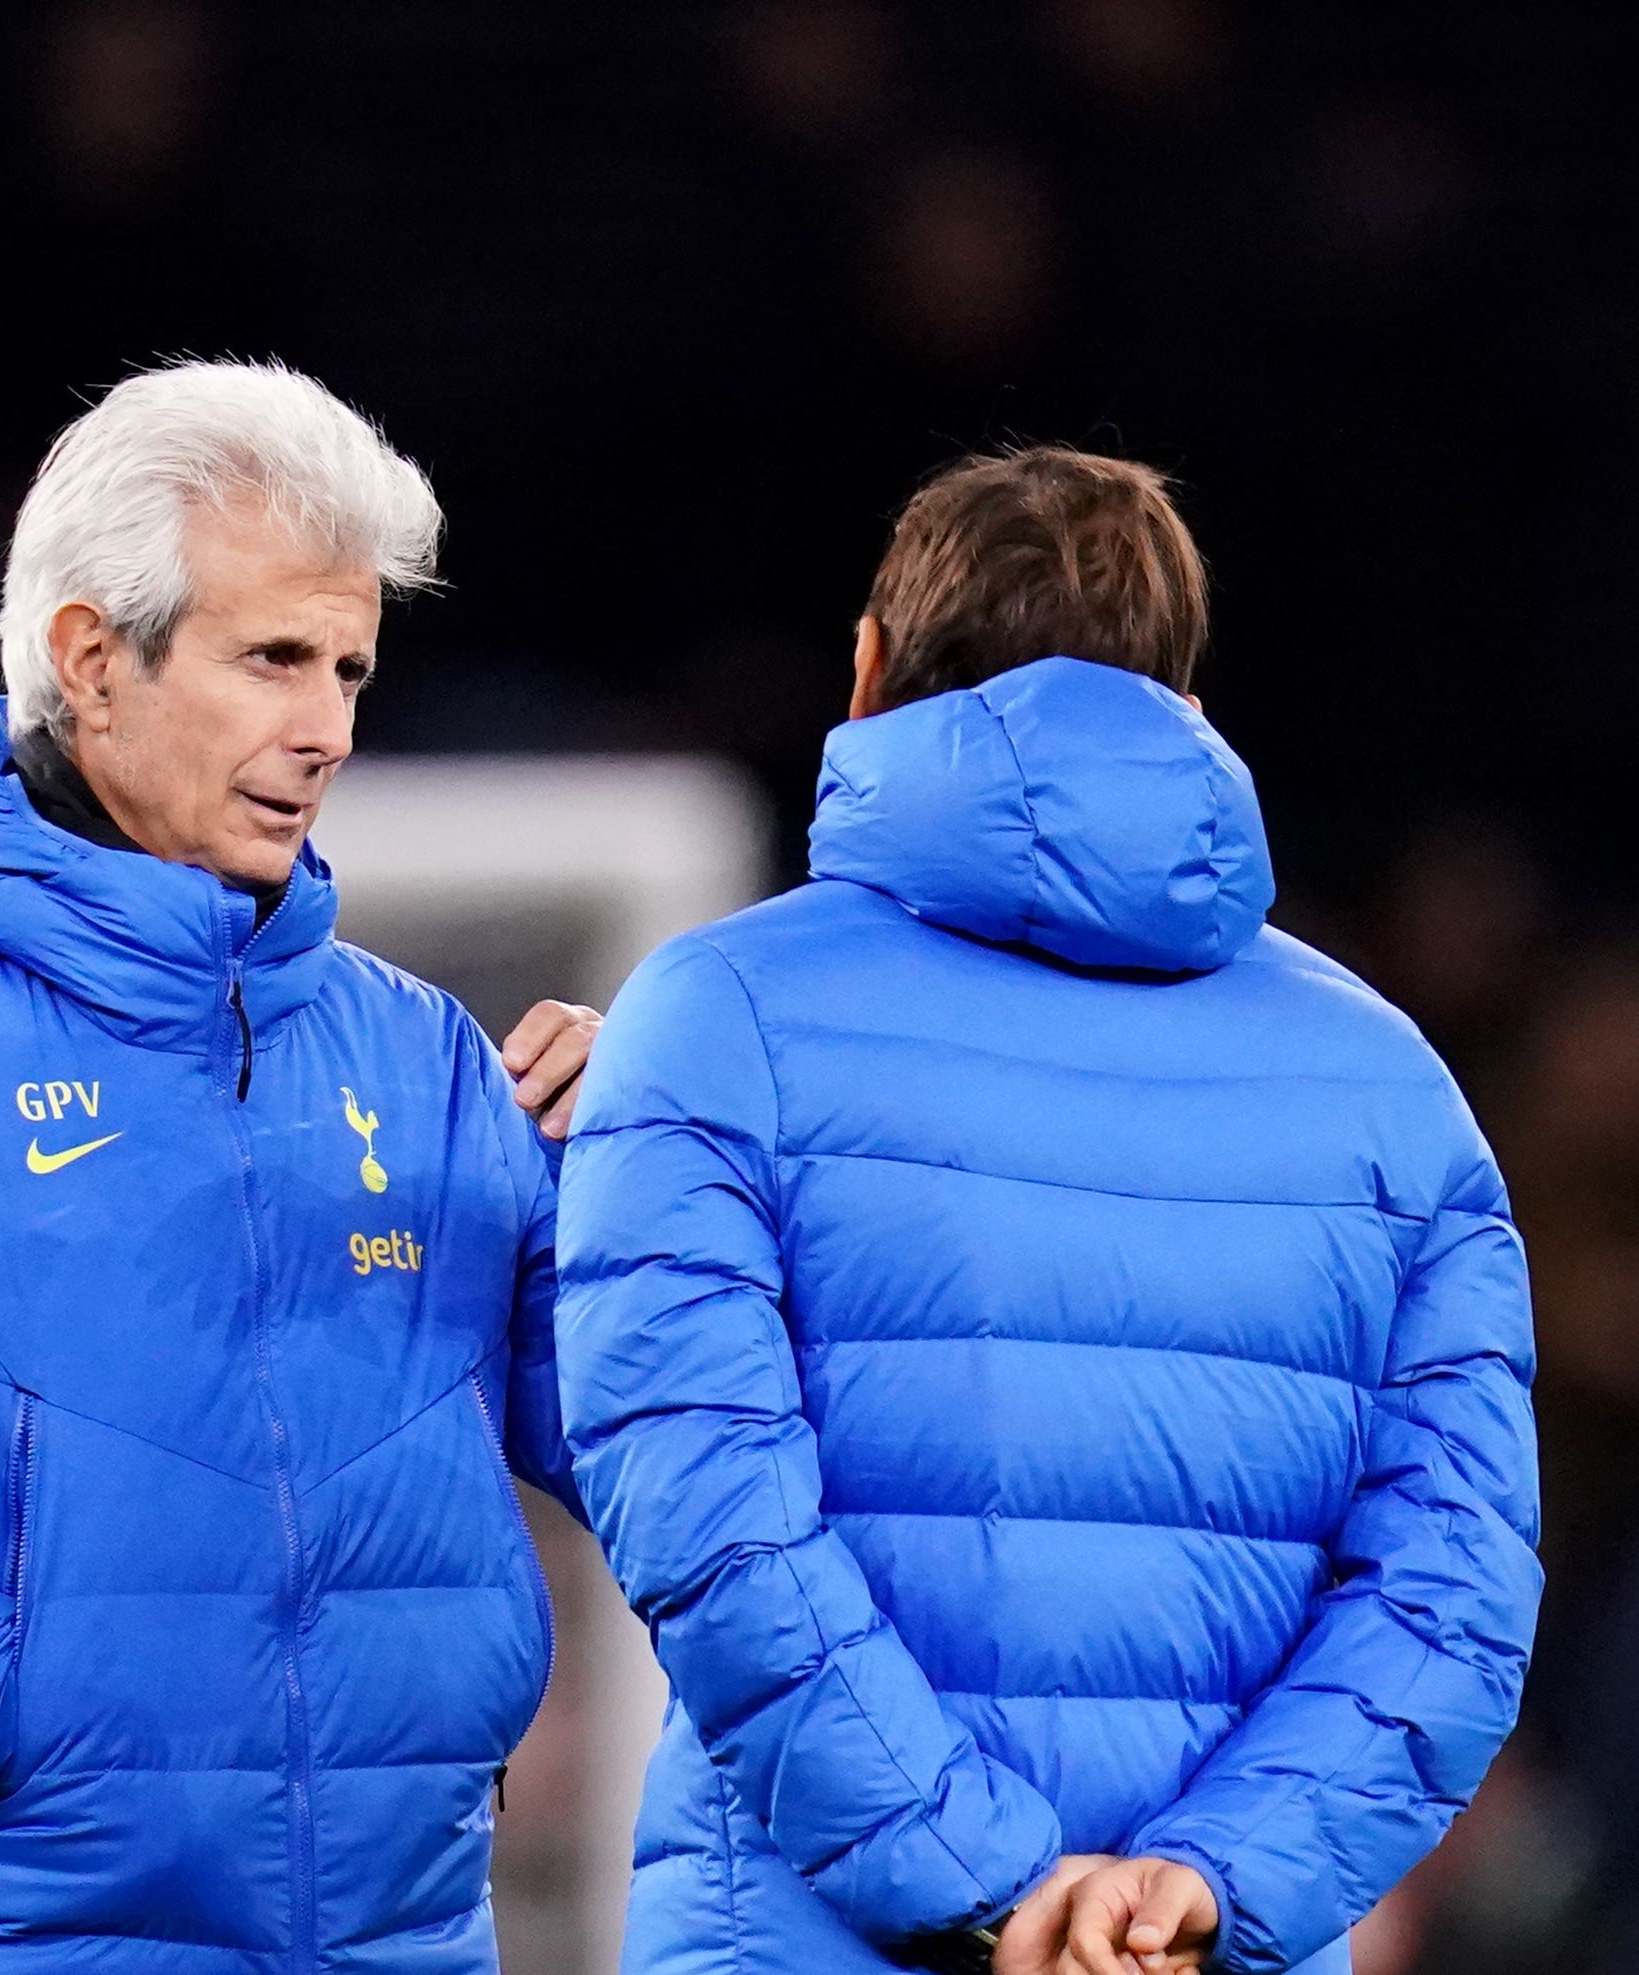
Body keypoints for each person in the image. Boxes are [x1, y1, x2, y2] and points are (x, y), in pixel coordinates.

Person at [557, 447, 1540, 1975]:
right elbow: (1457, 1590)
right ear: (1183, 703)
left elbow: (705, 1516)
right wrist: (1198, 1891)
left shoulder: (710, 1016)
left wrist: (999, 1881)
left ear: (870, 669)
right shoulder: (1392, 1087)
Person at [0, 360, 598, 1970]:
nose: (325, 730)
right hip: (18, 1937)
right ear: (90, 663)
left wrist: (652, 1180)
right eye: (273, 660)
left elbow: (623, 1434)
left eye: (348, 670)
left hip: (407, 1936)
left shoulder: (426, 1056)